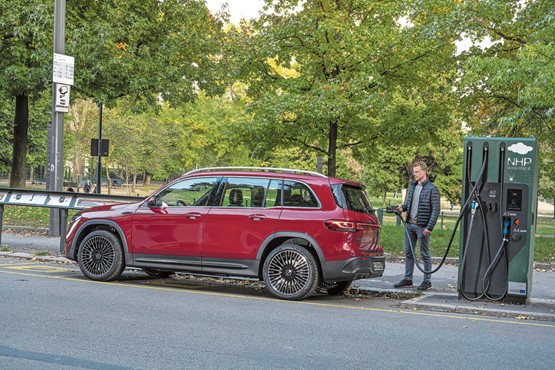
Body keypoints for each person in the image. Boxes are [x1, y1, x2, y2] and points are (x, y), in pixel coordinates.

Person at [394, 161, 441, 291]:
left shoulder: (432, 189)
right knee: (409, 253)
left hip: (422, 226)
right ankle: (408, 279)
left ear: (424, 172)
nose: (415, 174)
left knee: (424, 254)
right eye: (414, 172)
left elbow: (435, 210)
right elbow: (409, 204)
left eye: (417, 172)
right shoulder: (413, 186)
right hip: (410, 225)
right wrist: (402, 207)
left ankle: (427, 281)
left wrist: (429, 227)